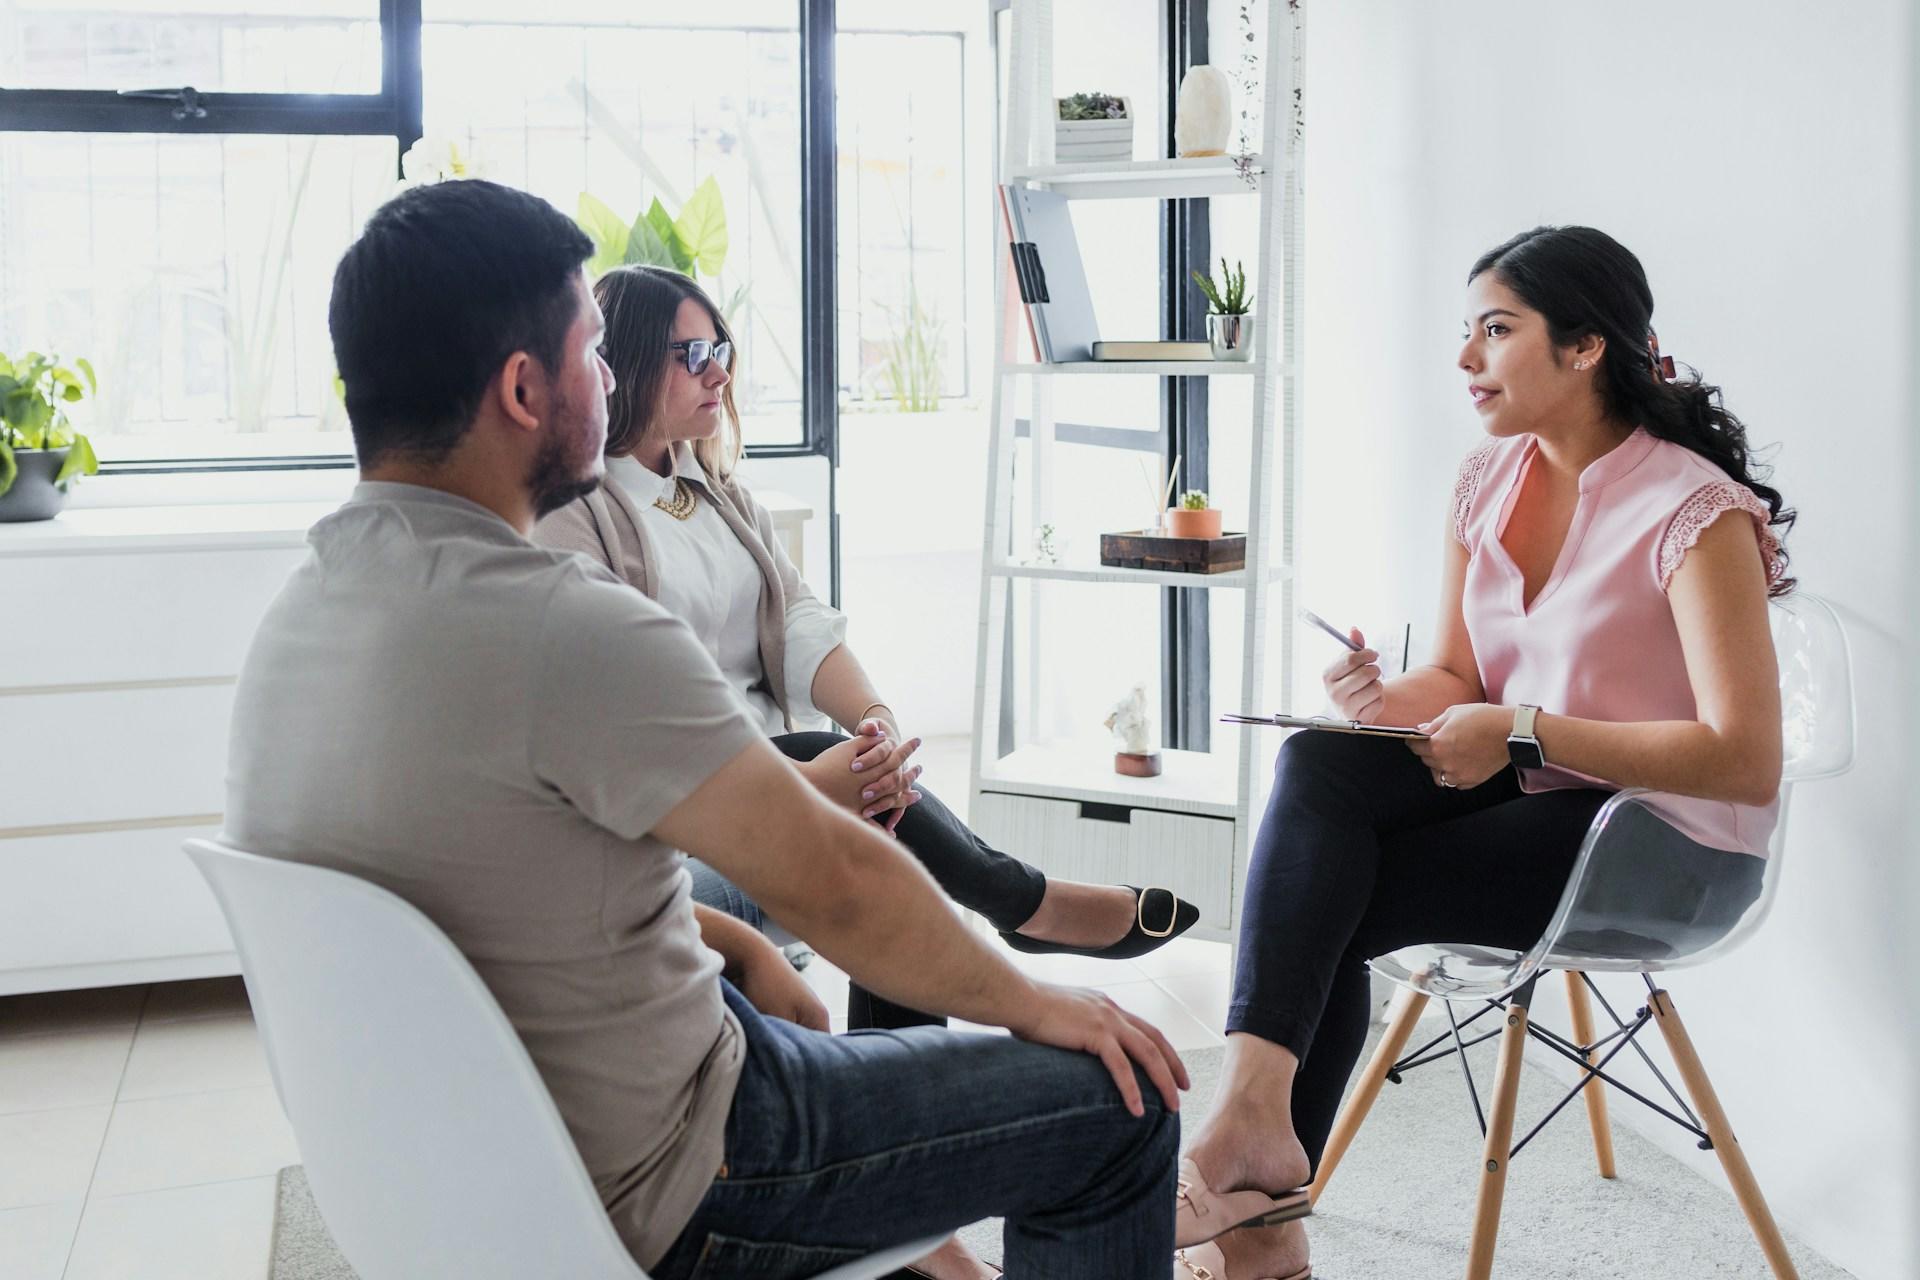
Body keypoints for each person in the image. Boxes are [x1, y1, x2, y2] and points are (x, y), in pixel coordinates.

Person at [224, 178, 1187, 1280]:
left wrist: (731, 945)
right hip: (688, 1171)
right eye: (593, 348)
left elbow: (530, 892)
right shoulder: (562, 624)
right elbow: (840, 883)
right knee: (1118, 1094)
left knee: (852, 1034)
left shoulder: (295, 620)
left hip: (461, 1178)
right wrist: (1036, 1001)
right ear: (526, 387)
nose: (609, 373)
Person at [1168, 225, 1793, 1280]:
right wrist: (1379, 699)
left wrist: (1523, 729)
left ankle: (1259, 1203)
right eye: (1468, 332)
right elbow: (1458, 678)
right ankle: (1255, 1144)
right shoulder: (1486, 481)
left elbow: (1743, 759)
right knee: (1320, 762)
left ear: (1585, 347)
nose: (1466, 360)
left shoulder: (1695, 511)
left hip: (1661, 836)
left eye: (1496, 331)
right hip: (1532, 781)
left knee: (1338, 894)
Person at [531, 264, 1200, 1037]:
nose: (718, 370)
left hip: (772, 771)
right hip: (687, 804)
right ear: (629, 365)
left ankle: (965, 979)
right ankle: (1022, 904)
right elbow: (626, 718)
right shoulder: (577, 515)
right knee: (873, 810)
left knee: (880, 801)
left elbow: (804, 626)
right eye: (690, 356)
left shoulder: (724, 497)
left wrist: (876, 723)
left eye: (721, 347)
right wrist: (803, 784)